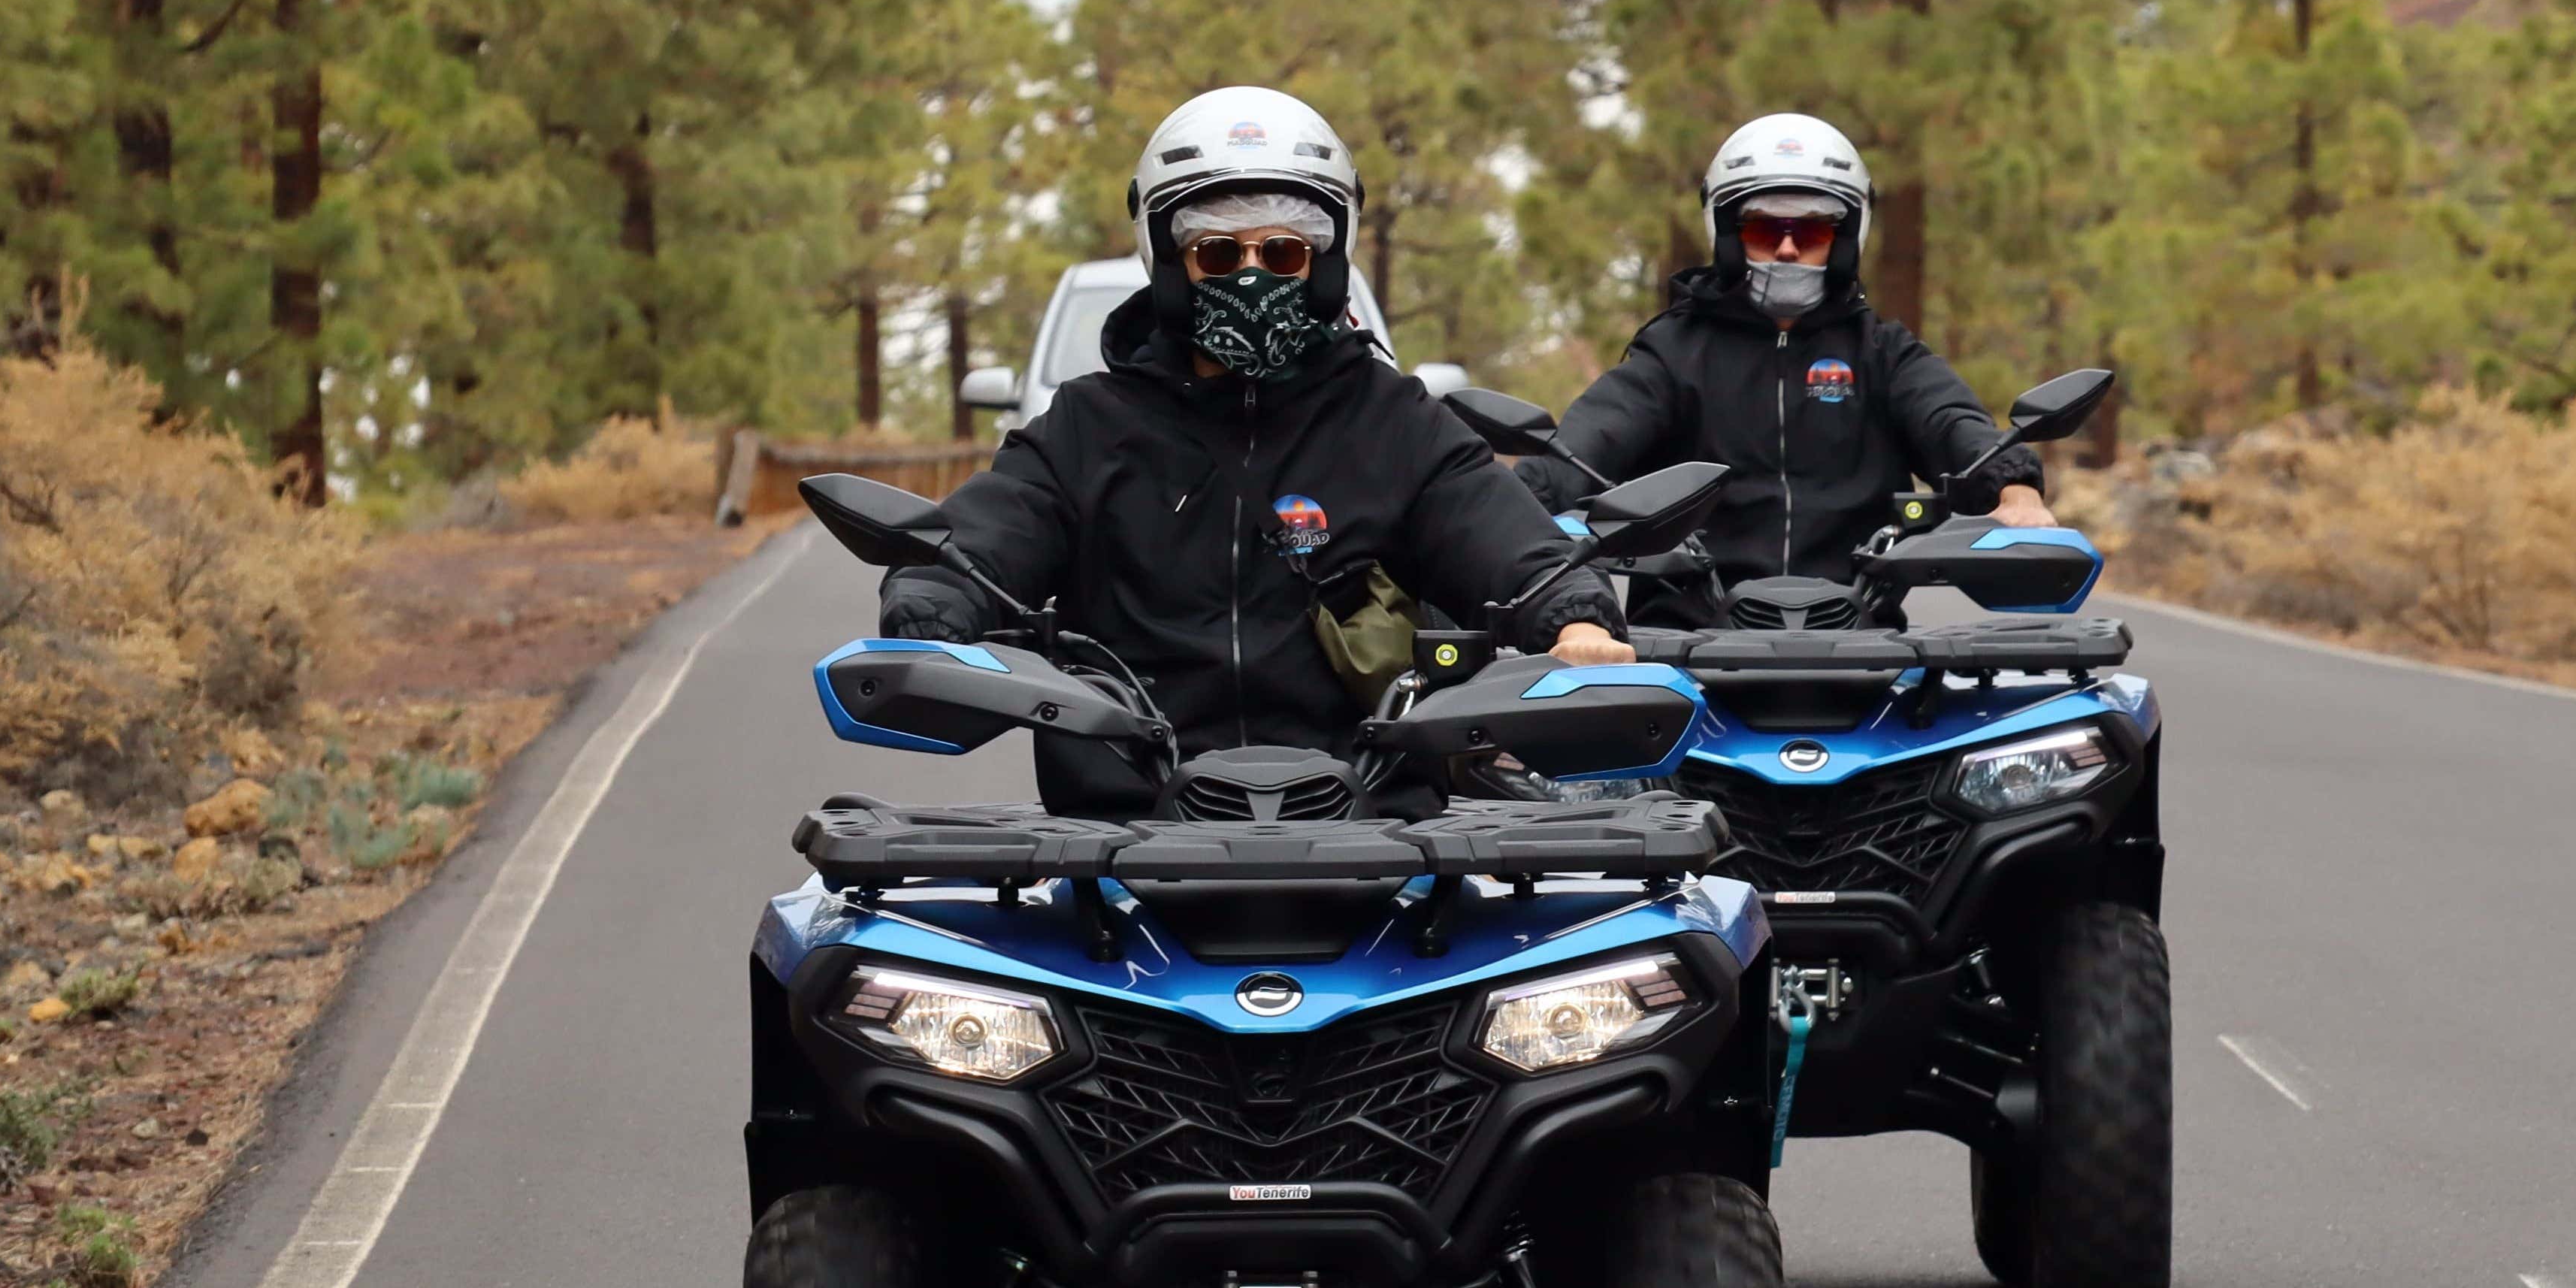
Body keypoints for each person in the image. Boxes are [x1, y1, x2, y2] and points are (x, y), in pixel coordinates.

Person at [879, 86, 1630, 816]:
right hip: (1124, 840)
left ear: (1325, 262)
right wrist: (930, 611)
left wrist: (1577, 621)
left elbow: (1505, 537)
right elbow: (979, 542)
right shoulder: (1087, 425)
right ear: (1172, 264)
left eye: (1281, 252)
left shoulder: (1395, 420)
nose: (1251, 275)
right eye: (1216, 252)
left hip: (1370, 838)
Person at [1517, 112, 2054, 627]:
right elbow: (1588, 443)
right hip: (1684, 648)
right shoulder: (1673, 355)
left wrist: (2013, 487)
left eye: (1813, 232)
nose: (1789, 248)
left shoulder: (1882, 353)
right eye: (1764, 230)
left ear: (1845, 243)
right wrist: (1513, 503)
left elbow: (1950, 419)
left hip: (1862, 642)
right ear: (1727, 236)